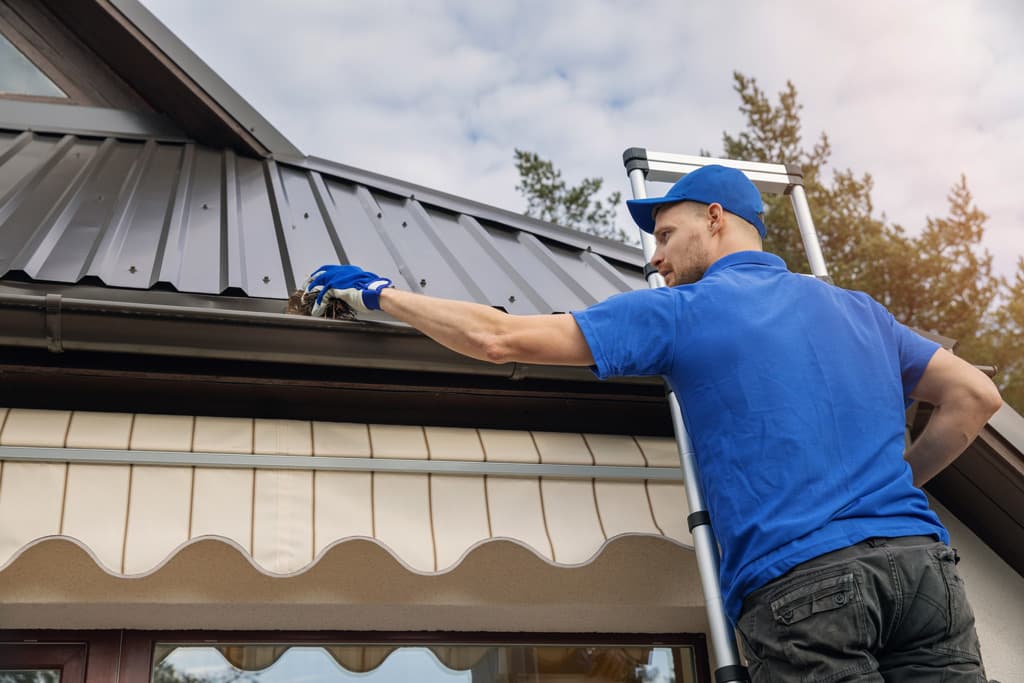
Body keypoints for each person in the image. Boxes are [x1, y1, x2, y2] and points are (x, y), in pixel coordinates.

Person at [304, 165, 1001, 682]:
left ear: (718, 218)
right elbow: (974, 395)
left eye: (667, 234)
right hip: (923, 574)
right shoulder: (859, 310)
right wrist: (890, 482)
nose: (655, 256)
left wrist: (379, 292)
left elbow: (499, 338)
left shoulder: (683, 312)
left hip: (805, 584)